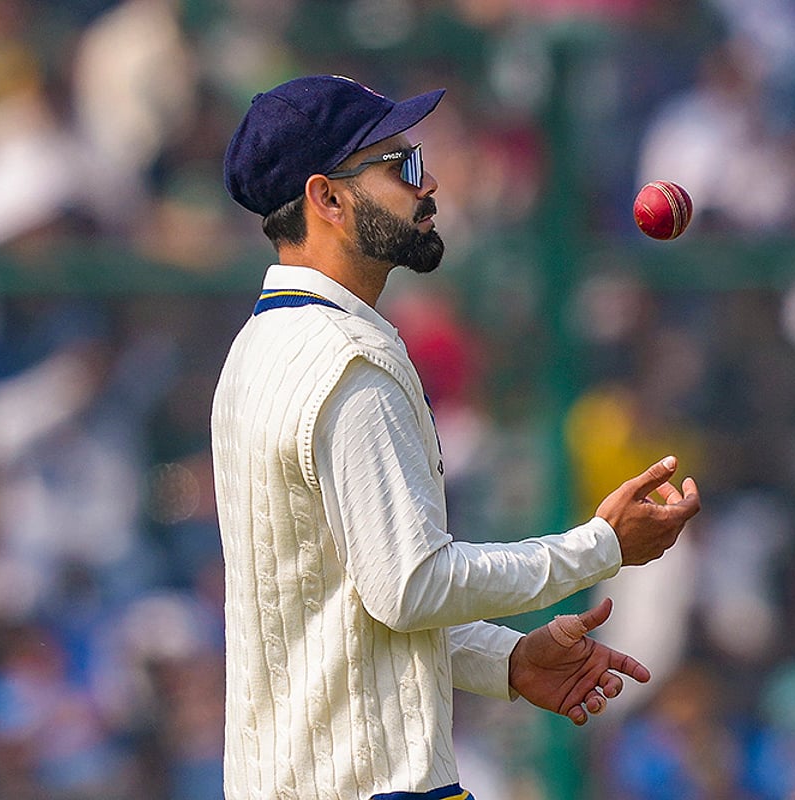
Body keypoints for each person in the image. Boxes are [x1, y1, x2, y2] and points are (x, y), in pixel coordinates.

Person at [211, 74, 701, 800]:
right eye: (401, 166)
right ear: (329, 199)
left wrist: (506, 662)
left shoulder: (256, 351)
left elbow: (361, 603)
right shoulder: (347, 361)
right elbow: (411, 586)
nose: (429, 181)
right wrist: (599, 547)